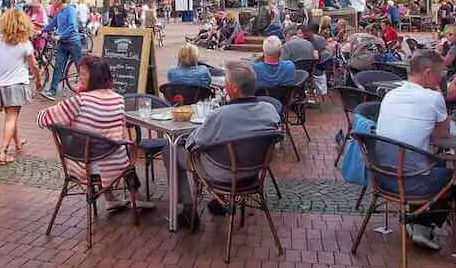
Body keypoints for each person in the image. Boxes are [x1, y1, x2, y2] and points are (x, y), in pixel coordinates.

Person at [162, 61, 280, 227]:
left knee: (171, 149)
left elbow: (194, 143)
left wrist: (184, 139)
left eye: (226, 84)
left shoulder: (220, 115)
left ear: (233, 88)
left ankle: (188, 209)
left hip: (223, 173)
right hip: (254, 171)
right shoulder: (270, 111)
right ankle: (219, 201)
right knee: (221, 146)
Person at [376, 50, 456, 250]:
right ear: (427, 73)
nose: (441, 79)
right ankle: (424, 224)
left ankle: (418, 220)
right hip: (410, 180)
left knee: (435, 162)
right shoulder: (433, 97)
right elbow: (444, 134)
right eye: (440, 74)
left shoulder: (391, 94)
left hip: (380, 176)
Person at [38, 56, 151, 210]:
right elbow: (120, 133)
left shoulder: (80, 101)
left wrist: (64, 124)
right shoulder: (118, 100)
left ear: (94, 77)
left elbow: (44, 118)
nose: (80, 77)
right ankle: (134, 197)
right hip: (113, 163)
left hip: (81, 161)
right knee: (122, 149)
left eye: (83, 74)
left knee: (105, 145)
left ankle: (110, 197)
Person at [0, 9, 41, 166]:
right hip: (17, 84)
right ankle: (3, 152)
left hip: (1, 84)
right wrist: (38, 79)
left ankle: (17, 141)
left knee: (11, 114)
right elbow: (34, 65)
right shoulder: (25, 43)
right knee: (11, 116)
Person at [41, 0, 82, 101]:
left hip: (73, 42)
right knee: (58, 66)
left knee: (80, 68)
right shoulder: (59, 12)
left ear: (60, 0)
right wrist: (40, 31)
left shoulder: (70, 10)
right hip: (63, 43)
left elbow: (73, 27)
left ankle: (87, 92)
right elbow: (51, 25)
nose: (52, 1)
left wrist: (60, 36)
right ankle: (52, 91)